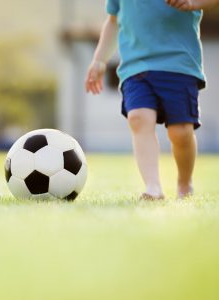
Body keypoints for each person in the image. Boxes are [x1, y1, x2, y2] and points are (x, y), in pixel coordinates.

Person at [85, 0, 210, 200]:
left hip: (179, 64)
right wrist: (99, 60)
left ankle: (184, 183)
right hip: (135, 66)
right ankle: (153, 187)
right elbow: (113, 20)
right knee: (138, 117)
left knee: (181, 132)